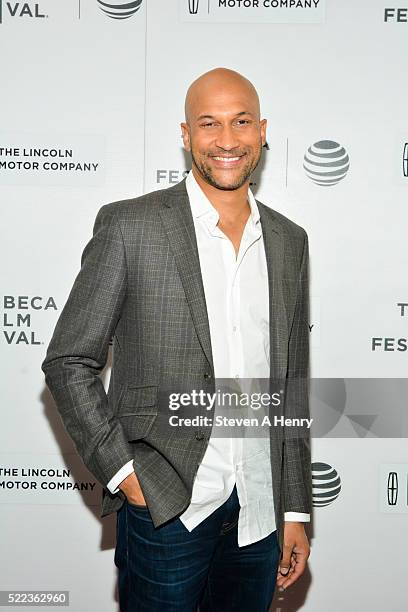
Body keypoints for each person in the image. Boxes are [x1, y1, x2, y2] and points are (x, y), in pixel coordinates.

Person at [41, 67, 312, 612]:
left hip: (259, 513)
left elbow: (291, 385)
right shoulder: (131, 226)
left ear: (263, 131)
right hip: (166, 506)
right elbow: (69, 360)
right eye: (208, 124)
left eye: (240, 122)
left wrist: (295, 510)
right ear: (186, 136)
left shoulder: (288, 240)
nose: (226, 140)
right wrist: (124, 473)